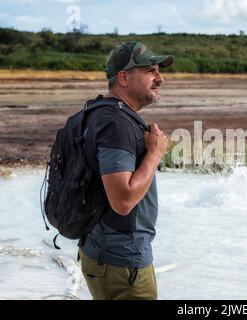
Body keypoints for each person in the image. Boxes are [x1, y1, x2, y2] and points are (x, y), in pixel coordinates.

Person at [77, 41, 173, 300]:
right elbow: (123, 200)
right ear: (123, 77)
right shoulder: (116, 124)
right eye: (150, 71)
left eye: (158, 71)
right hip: (122, 262)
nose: (160, 78)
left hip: (104, 252)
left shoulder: (96, 113)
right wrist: (155, 153)